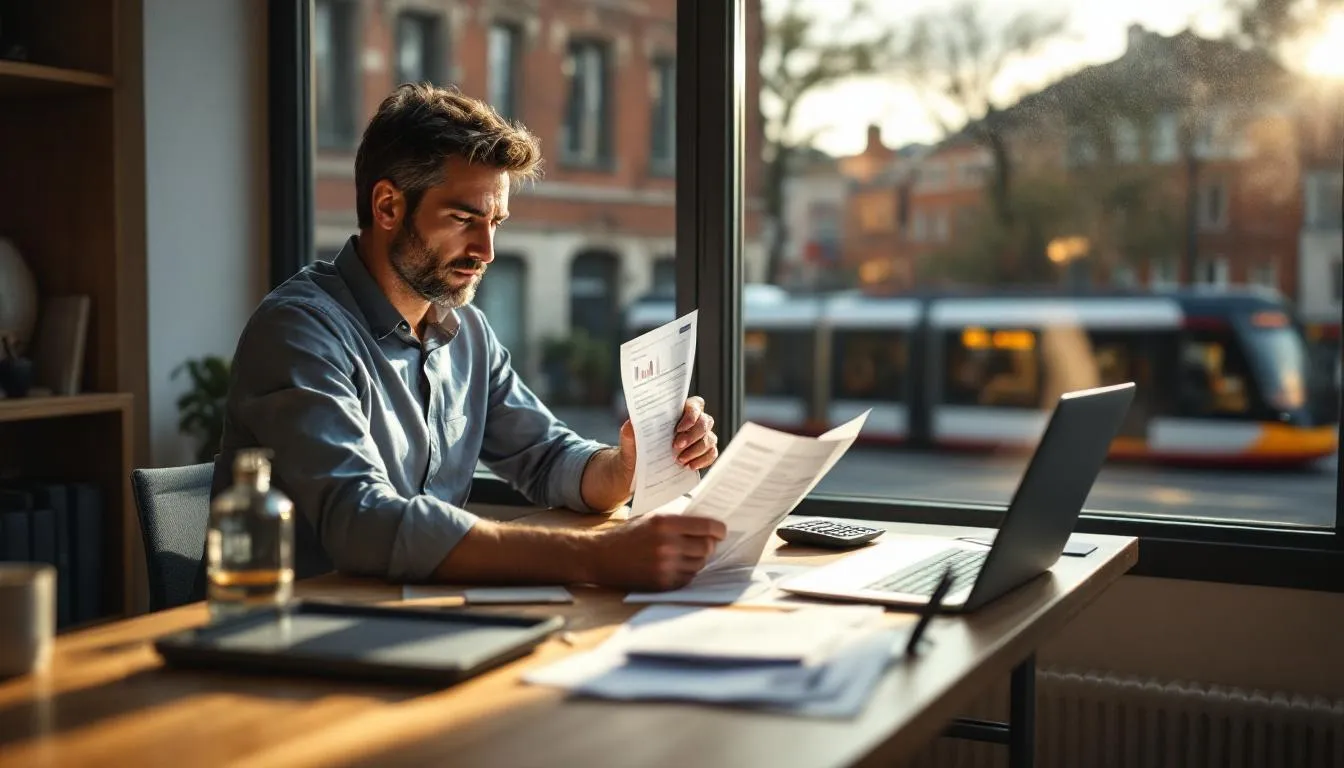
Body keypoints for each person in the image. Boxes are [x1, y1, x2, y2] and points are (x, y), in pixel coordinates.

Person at [212, 83, 724, 592]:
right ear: (388, 207)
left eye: (495, 222)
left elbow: (547, 458)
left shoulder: (468, 333)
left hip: (411, 619)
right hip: (296, 635)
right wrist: (593, 557)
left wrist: (626, 465)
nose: (486, 250)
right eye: (463, 219)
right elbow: (361, 520)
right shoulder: (299, 331)